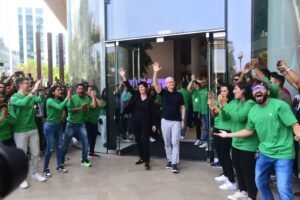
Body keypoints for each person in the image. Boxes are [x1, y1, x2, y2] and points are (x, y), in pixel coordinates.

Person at [217, 79, 300, 200]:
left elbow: (295, 125)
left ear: (268, 92)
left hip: (283, 154)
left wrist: (298, 134)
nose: (258, 91)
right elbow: (248, 131)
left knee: (283, 190)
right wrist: (228, 135)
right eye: (255, 89)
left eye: (261, 88)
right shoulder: (253, 111)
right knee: (260, 183)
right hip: (264, 153)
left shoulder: (280, 106)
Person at [218, 82, 258, 200]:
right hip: (236, 142)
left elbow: (239, 117)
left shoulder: (250, 103)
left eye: (236, 89)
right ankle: (243, 191)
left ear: (244, 90)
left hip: (247, 144)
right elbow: (226, 118)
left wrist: (225, 105)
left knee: (247, 172)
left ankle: (251, 196)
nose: (234, 91)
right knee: (239, 170)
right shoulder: (238, 103)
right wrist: (222, 107)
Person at [10, 78, 47, 189]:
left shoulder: (30, 95)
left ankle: (35, 173)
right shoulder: (14, 97)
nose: (29, 84)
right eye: (27, 83)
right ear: (20, 85)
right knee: (22, 156)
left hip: (33, 128)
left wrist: (39, 90)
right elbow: (22, 103)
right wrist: (33, 91)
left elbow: (41, 100)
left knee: (36, 153)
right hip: (20, 131)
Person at [119, 67, 156, 170]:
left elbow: (153, 112)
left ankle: (147, 161)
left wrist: (154, 124)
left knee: (145, 141)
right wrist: (123, 76)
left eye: (142, 87)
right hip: (135, 122)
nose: (141, 89)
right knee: (138, 140)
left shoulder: (150, 99)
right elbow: (129, 86)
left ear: (146, 88)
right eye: (139, 88)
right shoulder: (135, 95)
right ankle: (142, 157)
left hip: (146, 122)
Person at [152, 62, 185, 173]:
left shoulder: (179, 94)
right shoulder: (163, 93)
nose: (171, 83)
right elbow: (155, 84)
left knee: (175, 142)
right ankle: (170, 160)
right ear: (166, 84)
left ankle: (174, 163)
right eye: (169, 82)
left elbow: (183, 107)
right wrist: (155, 72)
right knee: (167, 142)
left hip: (176, 121)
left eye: (173, 81)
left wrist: (183, 120)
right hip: (165, 121)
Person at [208, 84, 236, 190]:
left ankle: (231, 180)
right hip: (217, 128)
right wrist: (212, 107)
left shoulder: (231, 103)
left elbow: (226, 117)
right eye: (221, 91)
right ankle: (225, 174)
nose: (222, 93)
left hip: (226, 130)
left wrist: (217, 106)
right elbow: (216, 115)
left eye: (225, 91)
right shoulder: (220, 102)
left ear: (229, 92)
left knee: (225, 154)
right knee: (219, 153)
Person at [61, 83, 96, 167]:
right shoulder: (72, 98)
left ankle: (84, 160)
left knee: (85, 142)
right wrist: (81, 107)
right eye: (79, 89)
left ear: (84, 90)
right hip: (71, 124)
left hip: (81, 124)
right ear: (76, 90)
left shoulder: (86, 99)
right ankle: (61, 159)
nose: (81, 90)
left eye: (82, 89)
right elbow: (70, 110)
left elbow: (90, 109)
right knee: (65, 143)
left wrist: (85, 107)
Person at [43, 86, 71, 177]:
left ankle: (59, 165)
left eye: (60, 89)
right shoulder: (49, 100)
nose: (60, 91)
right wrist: (67, 97)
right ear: (53, 92)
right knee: (50, 148)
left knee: (60, 147)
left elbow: (68, 105)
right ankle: (45, 169)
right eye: (58, 90)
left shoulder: (59, 100)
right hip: (49, 126)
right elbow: (59, 108)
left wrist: (69, 97)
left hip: (58, 125)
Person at [86, 85, 101, 157]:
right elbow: (93, 106)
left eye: (93, 89)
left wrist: (95, 97)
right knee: (88, 138)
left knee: (94, 138)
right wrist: (93, 97)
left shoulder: (95, 98)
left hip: (95, 122)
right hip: (88, 121)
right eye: (90, 90)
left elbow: (101, 105)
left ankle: (92, 152)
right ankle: (85, 154)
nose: (92, 91)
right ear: (86, 92)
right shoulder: (86, 99)